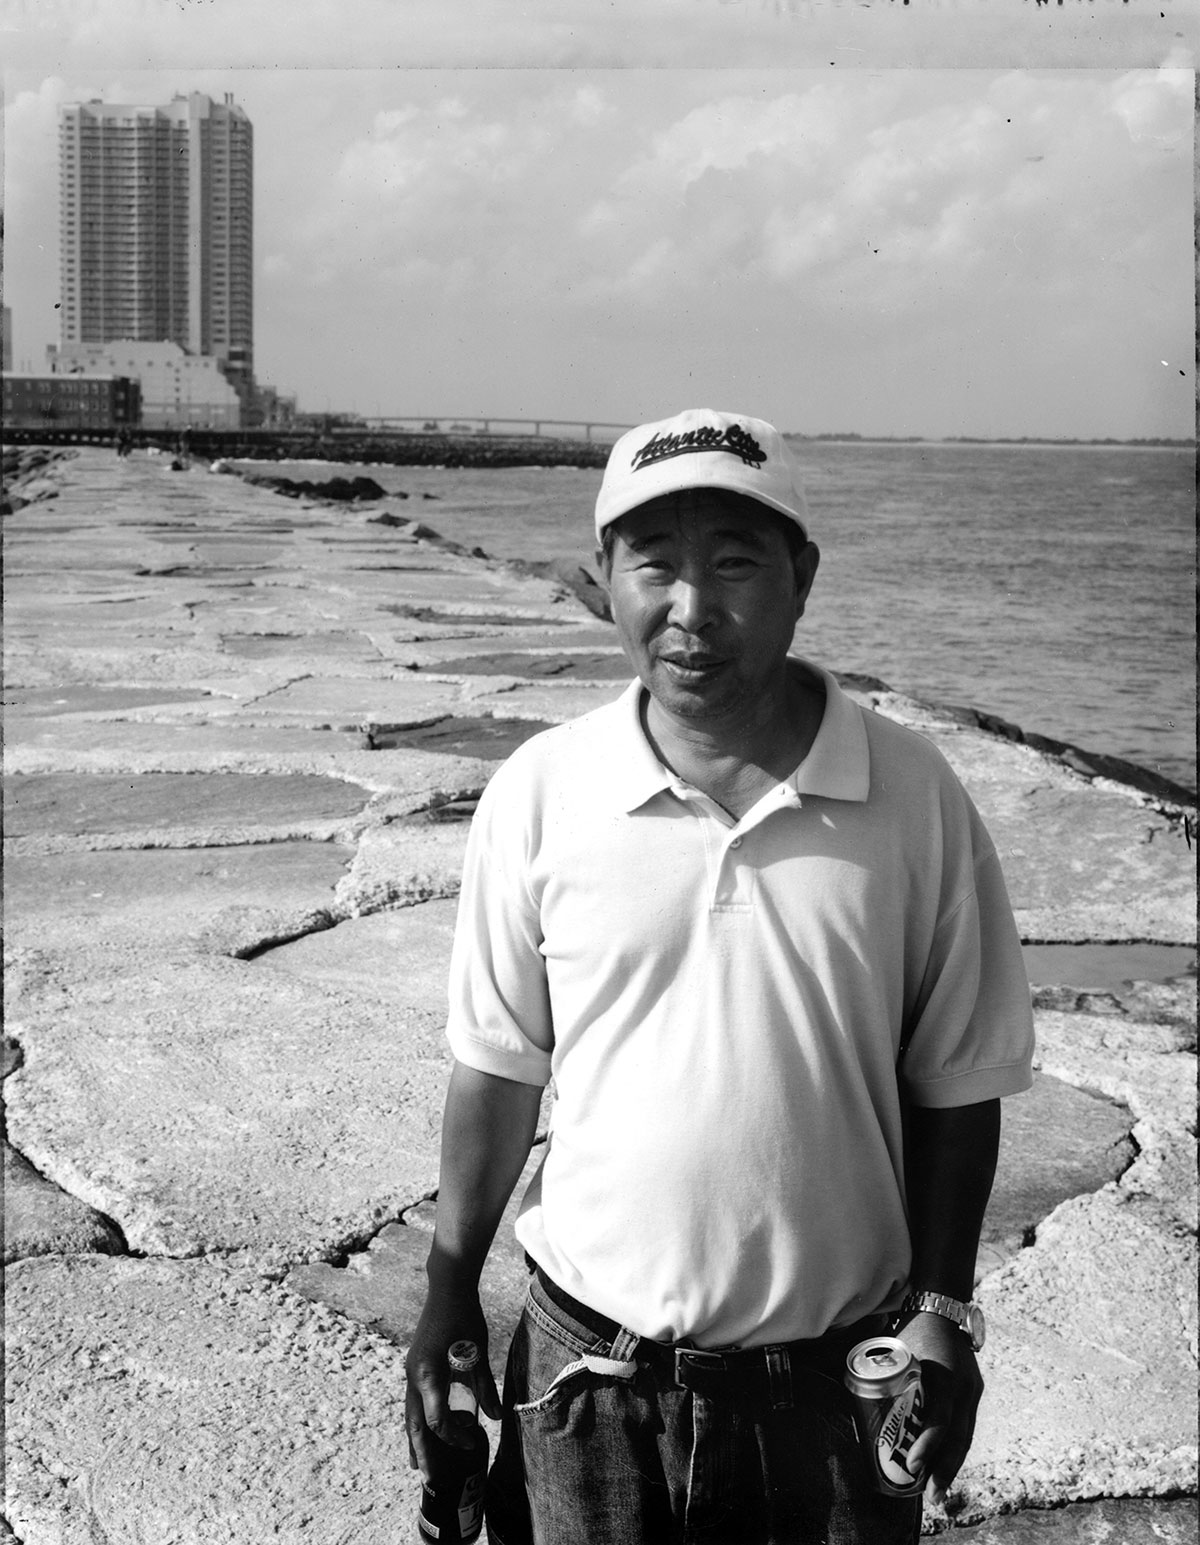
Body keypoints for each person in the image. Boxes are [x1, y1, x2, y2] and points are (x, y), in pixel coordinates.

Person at [405, 408, 1035, 1545]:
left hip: (840, 1402)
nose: (692, 609)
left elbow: (960, 1082)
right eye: (656, 564)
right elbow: (498, 1075)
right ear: (603, 581)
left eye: (735, 563)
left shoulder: (914, 795)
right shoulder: (542, 793)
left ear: (802, 577)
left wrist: (945, 1311)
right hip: (584, 1388)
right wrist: (447, 1298)